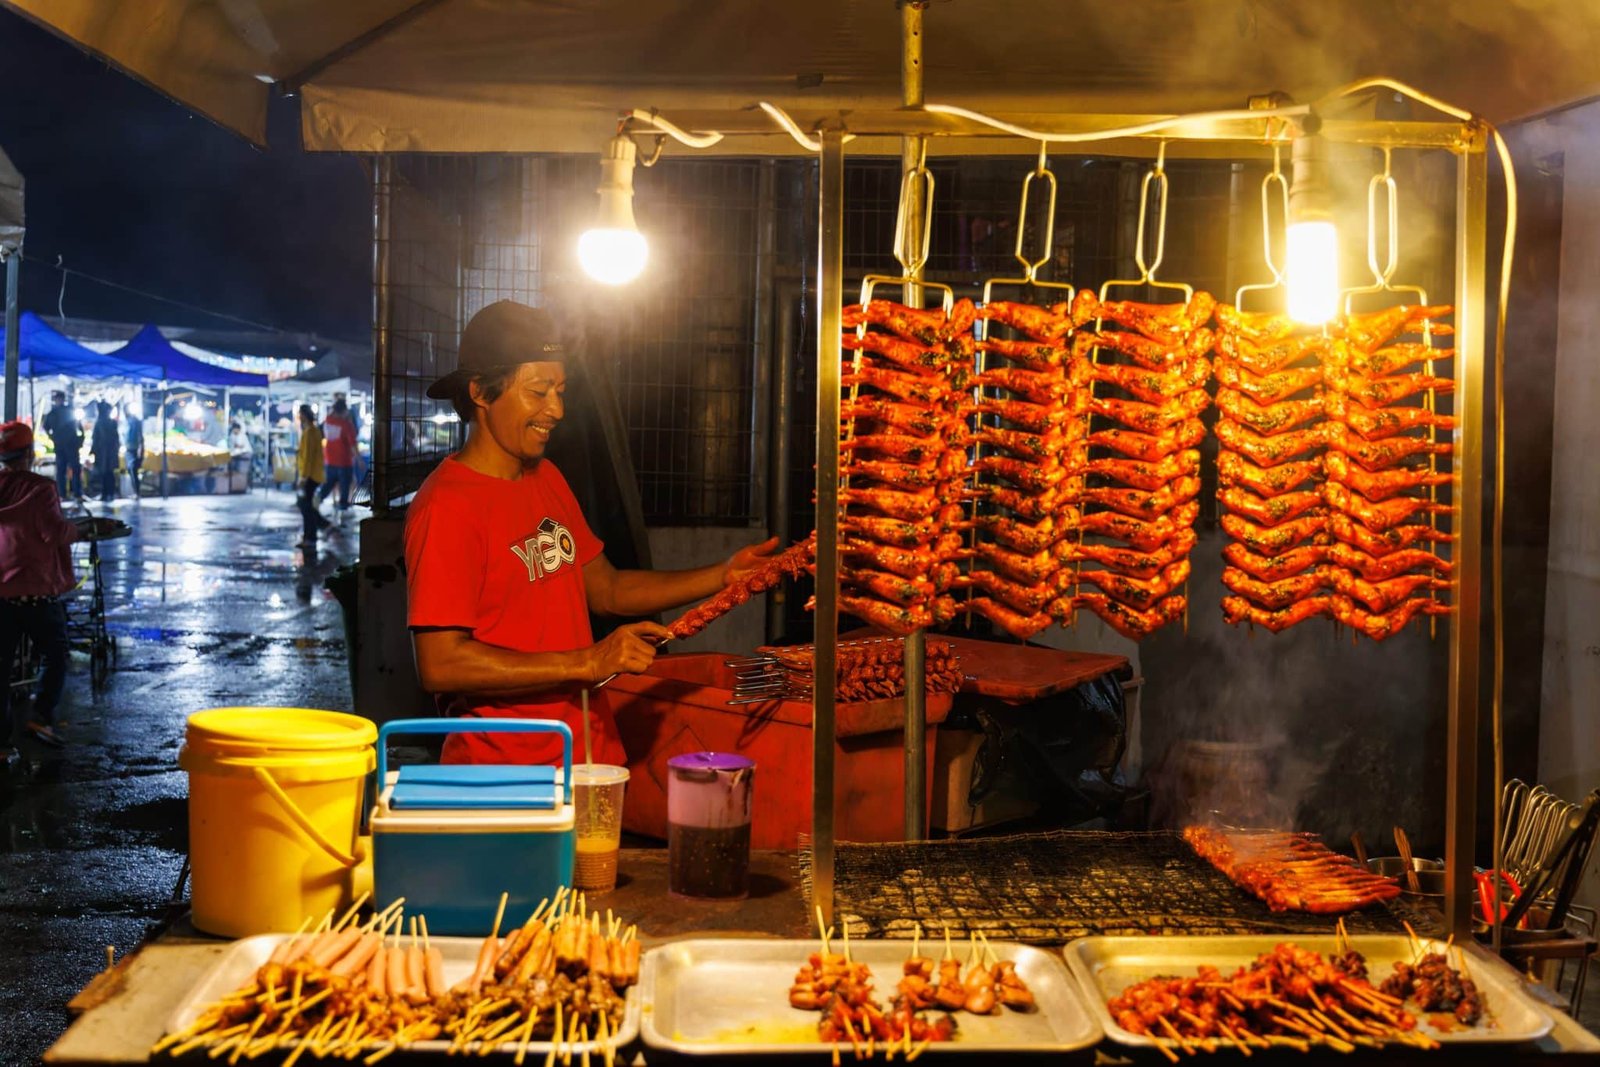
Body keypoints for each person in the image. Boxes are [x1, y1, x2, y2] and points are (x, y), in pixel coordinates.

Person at [404, 301, 777, 767]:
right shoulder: (447, 506)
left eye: (560, 390)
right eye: (538, 391)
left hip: (586, 758)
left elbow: (607, 588)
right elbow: (441, 663)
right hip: (504, 777)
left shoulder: (545, 478)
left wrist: (723, 576)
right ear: (480, 391)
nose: (556, 409)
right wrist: (591, 661)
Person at [0, 421, 103, 751]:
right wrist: (80, 531)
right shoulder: (40, 488)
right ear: (30, 454)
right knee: (56, 656)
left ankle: (1, 742)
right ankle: (40, 716)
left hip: (2, 592)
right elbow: (53, 533)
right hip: (36, 592)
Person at [295, 404, 330, 548]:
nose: (299, 416)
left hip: (309, 476)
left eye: (300, 414)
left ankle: (311, 536)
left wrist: (303, 477)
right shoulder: (314, 431)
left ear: (304, 415)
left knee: (305, 506)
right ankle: (316, 531)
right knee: (306, 505)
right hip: (314, 474)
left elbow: (308, 456)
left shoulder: (309, 432)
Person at [317, 397, 358, 512]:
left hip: (329, 460)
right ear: (344, 411)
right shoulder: (346, 425)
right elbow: (353, 444)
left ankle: (315, 502)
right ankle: (343, 513)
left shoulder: (327, 421)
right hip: (344, 461)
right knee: (344, 490)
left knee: (327, 486)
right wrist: (359, 459)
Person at [41, 390, 82, 499]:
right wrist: (53, 438)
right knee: (62, 471)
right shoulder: (52, 414)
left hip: (71, 445)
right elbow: (46, 427)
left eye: (59, 399)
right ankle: (63, 494)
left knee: (74, 470)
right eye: (57, 399)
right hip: (61, 446)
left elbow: (79, 426)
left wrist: (80, 440)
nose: (58, 401)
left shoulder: (69, 411)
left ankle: (76, 493)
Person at [90, 401, 119, 503]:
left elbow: (95, 439)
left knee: (106, 473)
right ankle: (108, 493)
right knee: (107, 473)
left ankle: (107, 493)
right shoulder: (110, 423)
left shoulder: (102, 423)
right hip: (106, 453)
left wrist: (93, 450)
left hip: (105, 453)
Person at [123, 404, 144, 497]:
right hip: (130, 449)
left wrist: (140, 448)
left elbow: (140, 437)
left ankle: (137, 492)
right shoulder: (128, 422)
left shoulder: (135, 421)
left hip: (133, 449)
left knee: (133, 470)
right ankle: (136, 492)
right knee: (132, 470)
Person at [228, 420, 253, 486]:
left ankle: (242, 484)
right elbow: (233, 446)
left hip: (246, 454)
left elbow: (240, 446)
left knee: (243, 471)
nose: (235, 431)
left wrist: (237, 446)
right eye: (234, 429)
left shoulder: (242, 436)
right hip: (237, 454)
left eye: (236, 429)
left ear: (238, 429)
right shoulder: (232, 435)